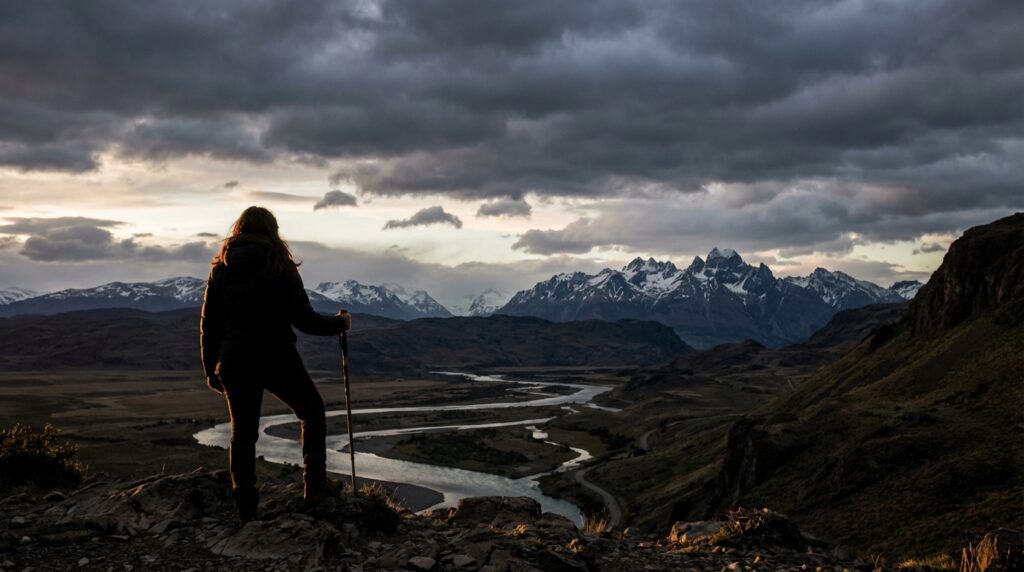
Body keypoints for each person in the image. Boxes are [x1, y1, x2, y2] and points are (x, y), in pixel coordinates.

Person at [200, 206, 352, 521]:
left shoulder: (220, 269)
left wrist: (210, 369)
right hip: (275, 356)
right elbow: (305, 320)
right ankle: (315, 485)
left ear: (238, 230)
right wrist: (340, 324)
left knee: (242, 434)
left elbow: (209, 325)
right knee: (312, 411)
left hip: (234, 361)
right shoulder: (279, 265)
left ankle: (245, 506)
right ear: (273, 231)